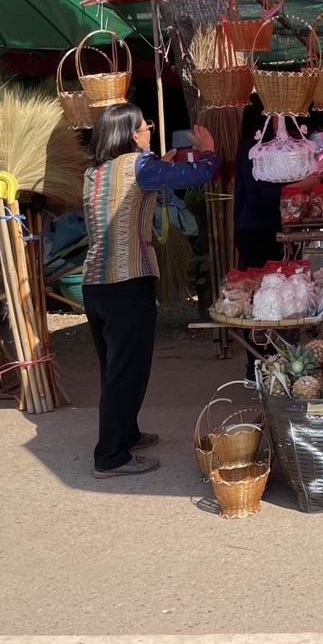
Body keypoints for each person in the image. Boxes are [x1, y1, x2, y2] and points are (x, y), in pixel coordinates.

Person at [82, 103, 220, 478]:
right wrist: (208, 146)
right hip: (127, 283)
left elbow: (133, 186)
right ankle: (109, 457)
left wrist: (158, 163)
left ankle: (125, 434)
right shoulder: (140, 167)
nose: (149, 131)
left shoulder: (95, 171)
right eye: (146, 126)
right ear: (131, 134)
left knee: (115, 367)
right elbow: (201, 173)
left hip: (95, 285)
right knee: (127, 370)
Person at [234, 95, 282, 269]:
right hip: (255, 230)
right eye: (277, 116)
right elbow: (257, 195)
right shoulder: (252, 149)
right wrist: (296, 187)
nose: (281, 121)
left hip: (266, 228)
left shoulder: (269, 148)